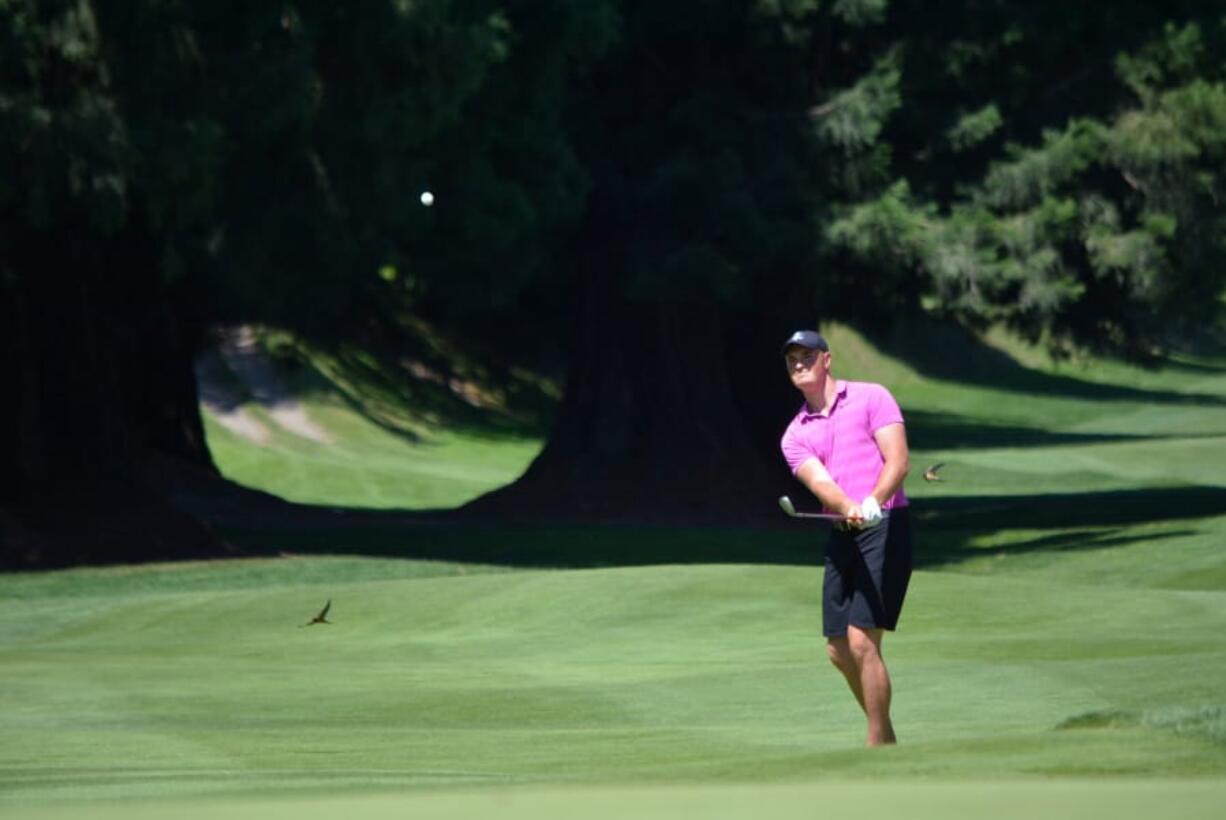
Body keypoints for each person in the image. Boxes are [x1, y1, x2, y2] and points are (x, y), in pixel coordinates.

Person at [778, 329, 913, 746]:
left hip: (887, 525)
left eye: (807, 356)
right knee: (838, 648)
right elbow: (821, 483)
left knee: (861, 640)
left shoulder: (873, 397)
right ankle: (886, 737)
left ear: (827, 359)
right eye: (792, 360)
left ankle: (877, 744)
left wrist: (873, 500)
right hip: (844, 533)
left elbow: (899, 460)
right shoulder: (794, 434)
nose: (799, 364)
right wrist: (848, 505)